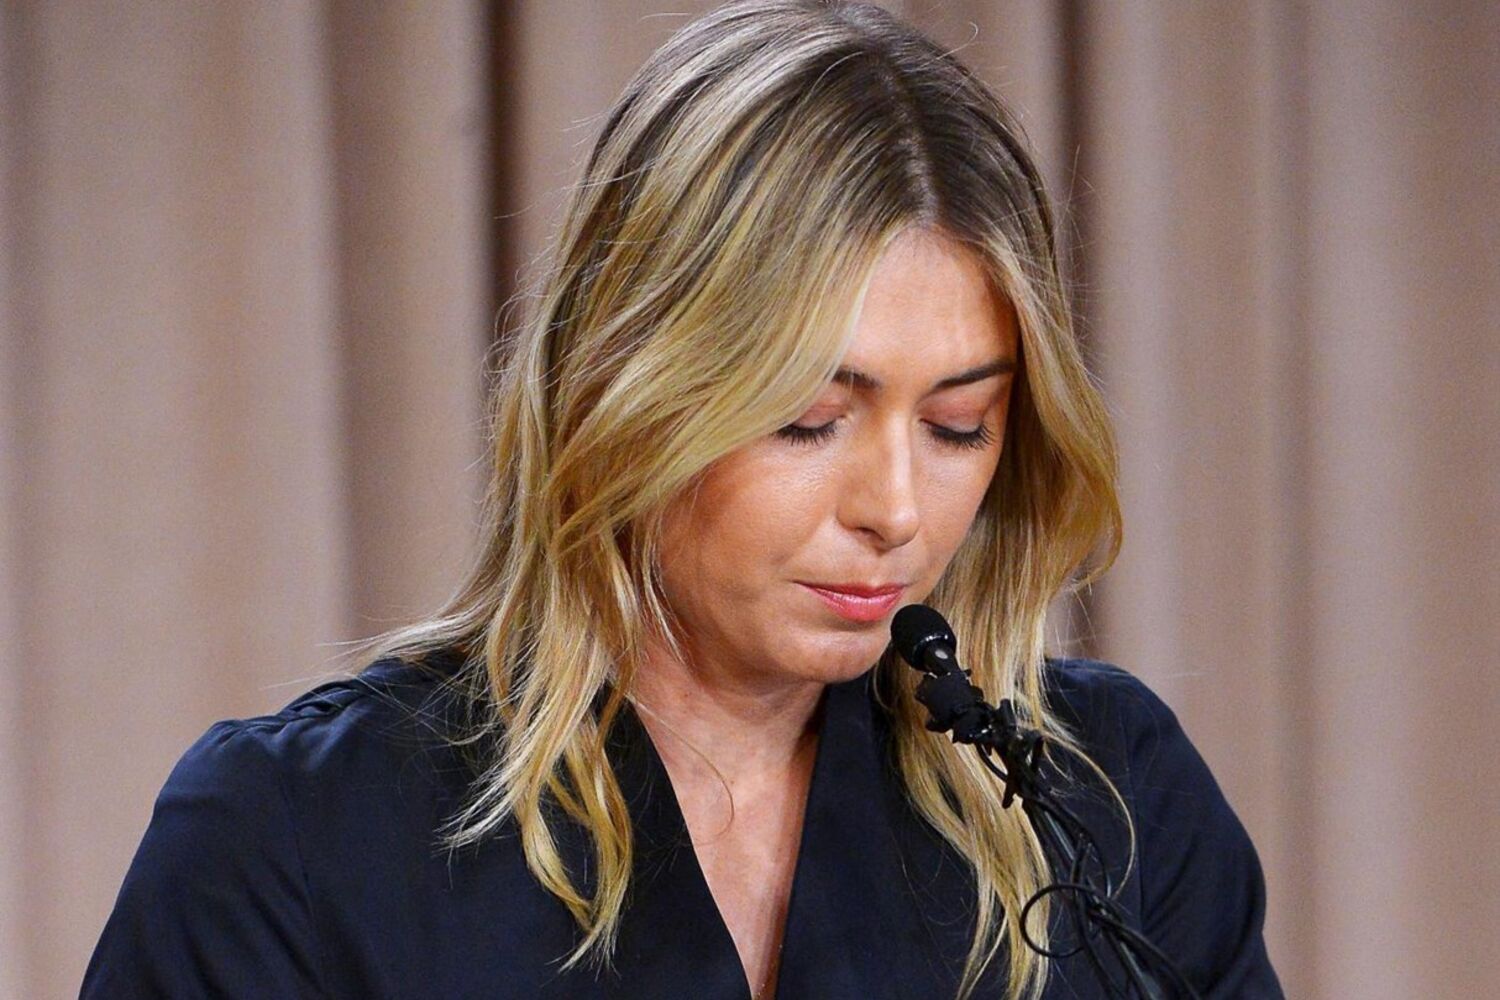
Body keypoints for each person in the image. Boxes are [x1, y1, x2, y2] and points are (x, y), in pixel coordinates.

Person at [82, 2, 1282, 997]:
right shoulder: (291, 842)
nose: (896, 509)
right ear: (626, 387)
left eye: (958, 424)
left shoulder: (1108, 806)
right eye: (809, 418)